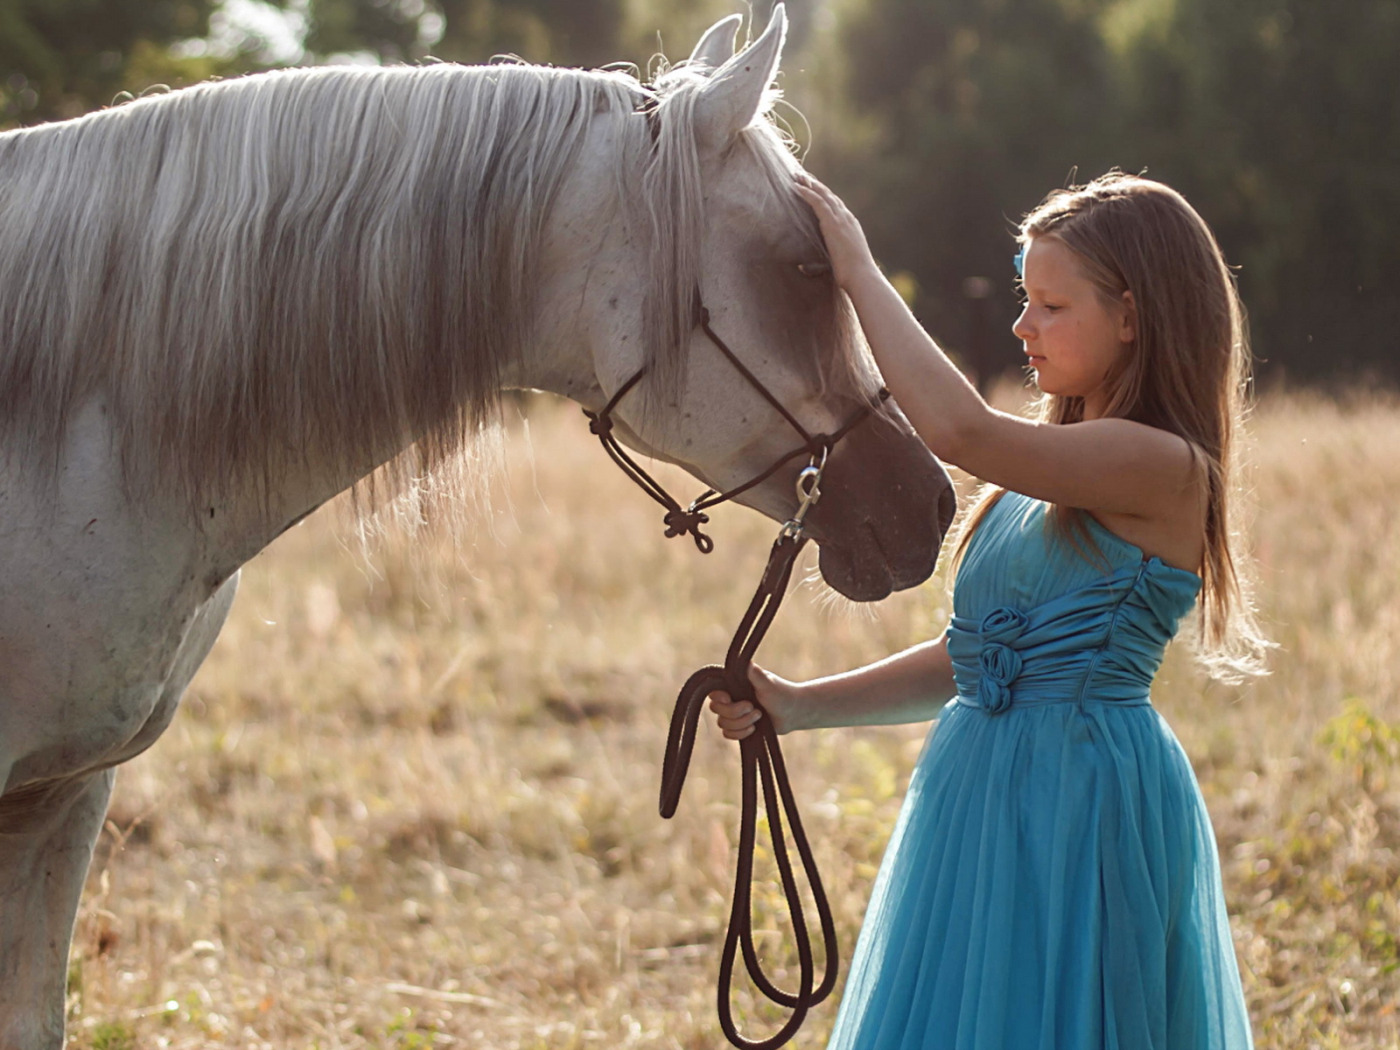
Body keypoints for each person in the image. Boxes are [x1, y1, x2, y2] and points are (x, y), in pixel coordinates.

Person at [709, 171, 1267, 1049]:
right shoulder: (1044, 473)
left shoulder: (1161, 463)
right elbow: (975, 662)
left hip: (1079, 798)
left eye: (1051, 305)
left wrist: (858, 272)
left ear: (1132, 316)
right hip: (978, 793)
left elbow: (961, 432)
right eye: (1024, 299)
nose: (1022, 326)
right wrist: (800, 705)